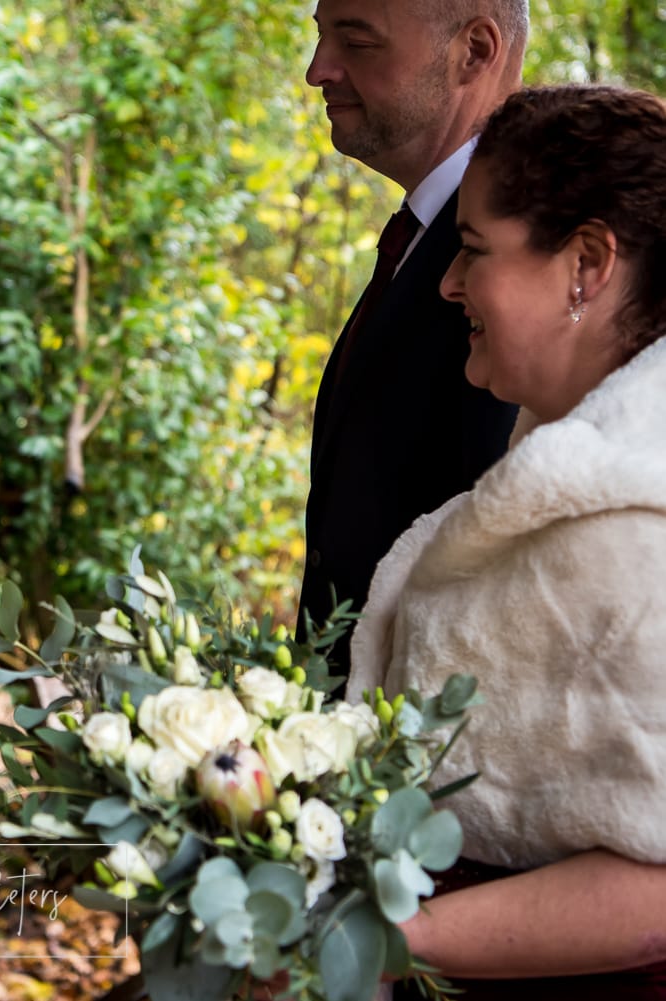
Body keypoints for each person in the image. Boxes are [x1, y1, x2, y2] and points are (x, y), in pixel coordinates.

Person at [348, 84, 666, 999]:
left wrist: (373, 934)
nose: (449, 282)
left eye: (474, 249)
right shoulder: (569, 471)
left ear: (585, 263)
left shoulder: (640, 534)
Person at [298, 0, 525, 676]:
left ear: (473, 52)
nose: (317, 70)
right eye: (321, 37)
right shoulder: (422, 231)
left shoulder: (525, 254)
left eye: (357, 40)